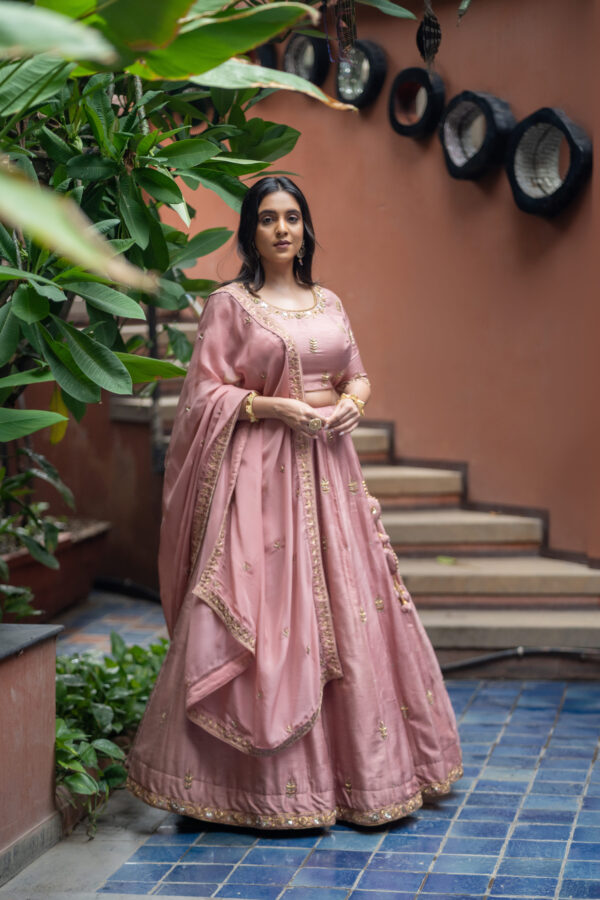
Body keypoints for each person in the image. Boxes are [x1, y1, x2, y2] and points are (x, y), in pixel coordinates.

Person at [126, 176, 462, 829]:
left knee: (354, 615)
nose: (283, 229)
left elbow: (355, 373)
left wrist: (352, 405)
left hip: (332, 477)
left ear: (306, 229)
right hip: (258, 481)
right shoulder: (230, 305)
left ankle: (360, 779)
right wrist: (268, 405)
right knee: (259, 612)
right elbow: (201, 397)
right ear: (251, 232)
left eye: (294, 218)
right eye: (269, 219)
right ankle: (243, 789)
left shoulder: (327, 302)